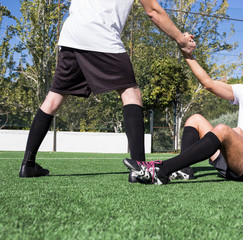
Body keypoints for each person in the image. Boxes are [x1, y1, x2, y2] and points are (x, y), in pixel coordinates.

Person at [19, 0, 196, 178]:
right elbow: (154, 12)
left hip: (72, 35)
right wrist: (181, 40)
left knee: (53, 99)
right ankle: (141, 169)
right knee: (131, 93)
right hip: (99, 33)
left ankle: (28, 164)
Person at [123, 48, 243, 185]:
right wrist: (187, 55)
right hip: (234, 163)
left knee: (223, 130)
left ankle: (162, 169)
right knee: (195, 119)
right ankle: (184, 170)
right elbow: (208, 84)